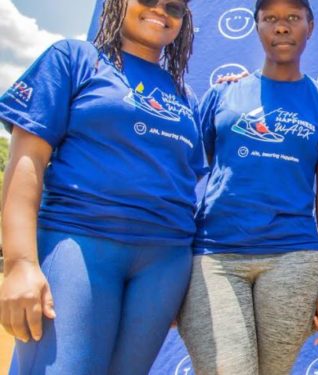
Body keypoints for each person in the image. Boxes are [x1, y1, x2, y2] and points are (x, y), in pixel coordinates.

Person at [0, 0, 202, 373]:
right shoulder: (75, 58)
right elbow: (26, 162)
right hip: (80, 243)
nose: (161, 10)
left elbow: (190, 183)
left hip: (165, 263)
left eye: (174, 6)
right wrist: (19, 264)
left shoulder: (186, 98)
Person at [176, 0, 318, 374]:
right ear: (257, 27)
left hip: (293, 257)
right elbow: (184, 177)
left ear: (310, 26)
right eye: (270, 18)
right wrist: (169, 265)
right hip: (215, 256)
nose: (281, 27)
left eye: (292, 18)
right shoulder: (223, 95)